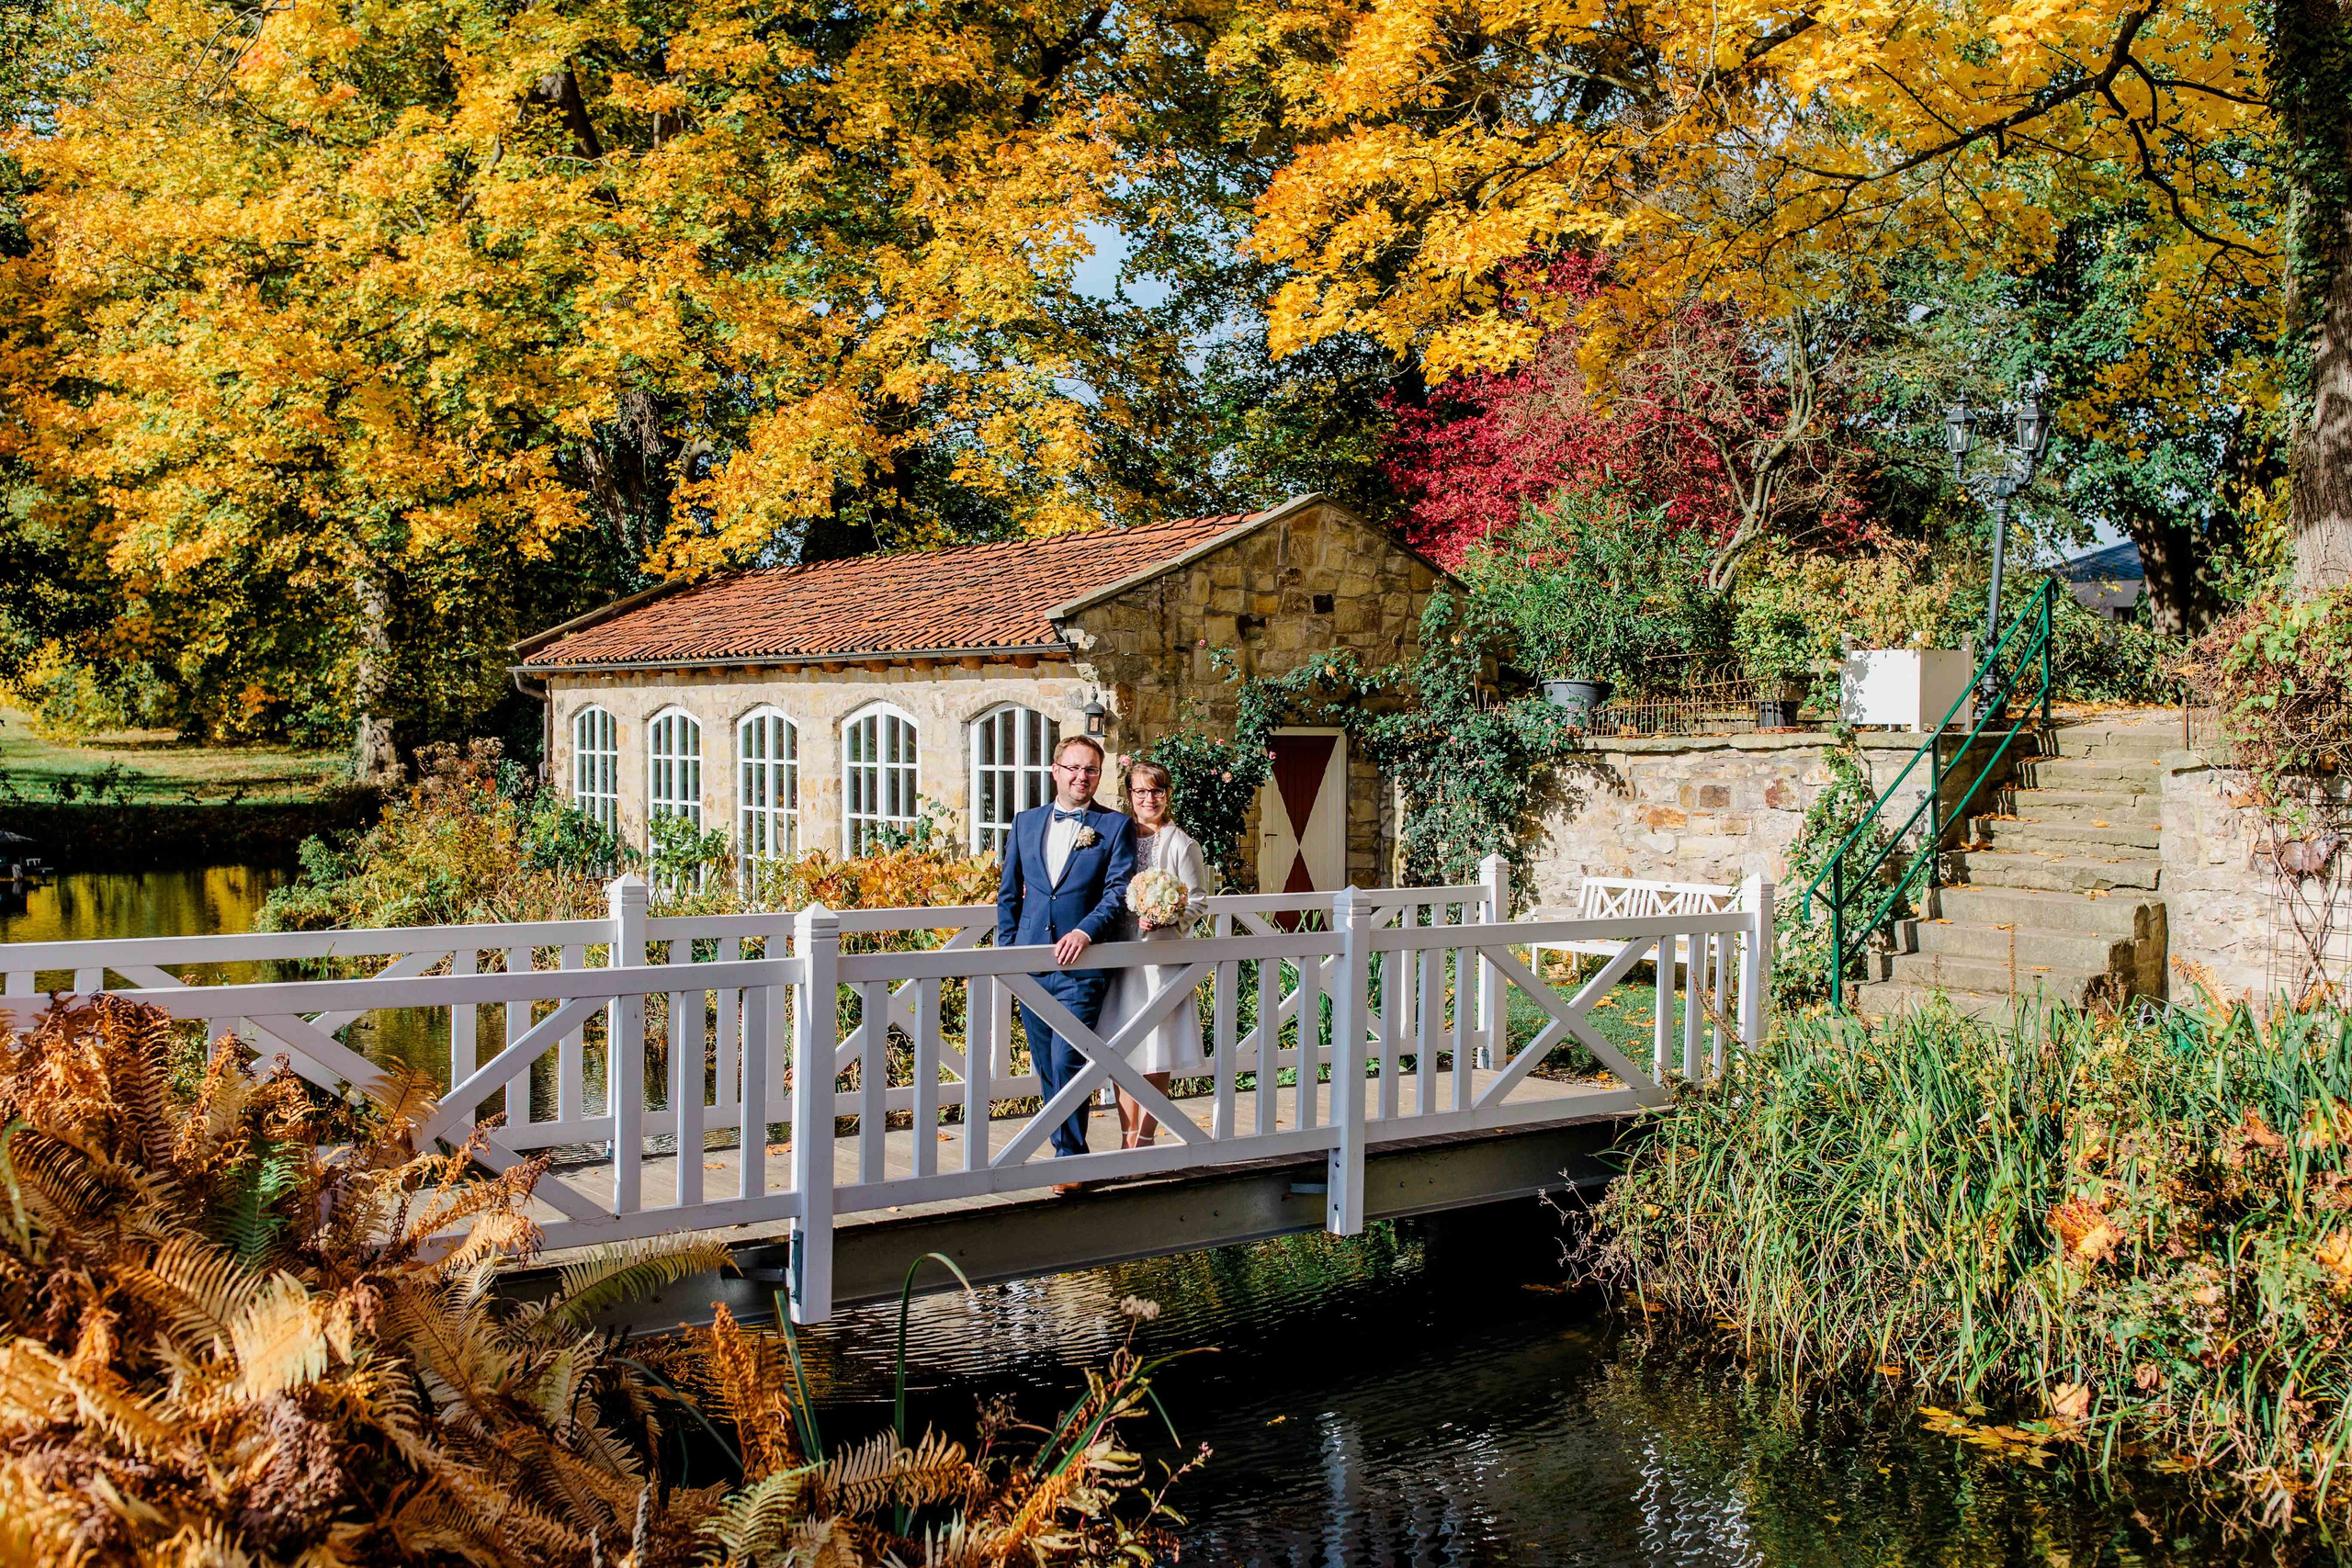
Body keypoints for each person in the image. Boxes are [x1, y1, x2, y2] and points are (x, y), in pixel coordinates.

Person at [995, 734, 1137, 1190]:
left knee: (1067, 1060)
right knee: (1044, 1063)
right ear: (1055, 771)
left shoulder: (1114, 827)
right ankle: (1068, 1152)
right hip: (1031, 965)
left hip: (1082, 965)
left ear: (1099, 775)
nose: (1082, 777)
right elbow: (1008, 894)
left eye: (1091, 770)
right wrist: (1008, 953)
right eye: (1074, 768)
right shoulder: (1025, 822)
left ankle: (1069, 1159)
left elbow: (1118, 892)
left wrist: (1085, 930)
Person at [1098, 760, 1211, 1148]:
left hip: (1161, 959)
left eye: (1157, 791)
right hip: (1121, 956)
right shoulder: (1117, 836)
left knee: (1157, 1049)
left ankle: (1143, 1139)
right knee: (1122, 1048)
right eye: (1141, 791)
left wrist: (1166, 916)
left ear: (1168, 794)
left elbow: (1197, 902)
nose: (1149, 799)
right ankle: (1126, 1137)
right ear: (1130, 795)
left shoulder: (1181, 844)